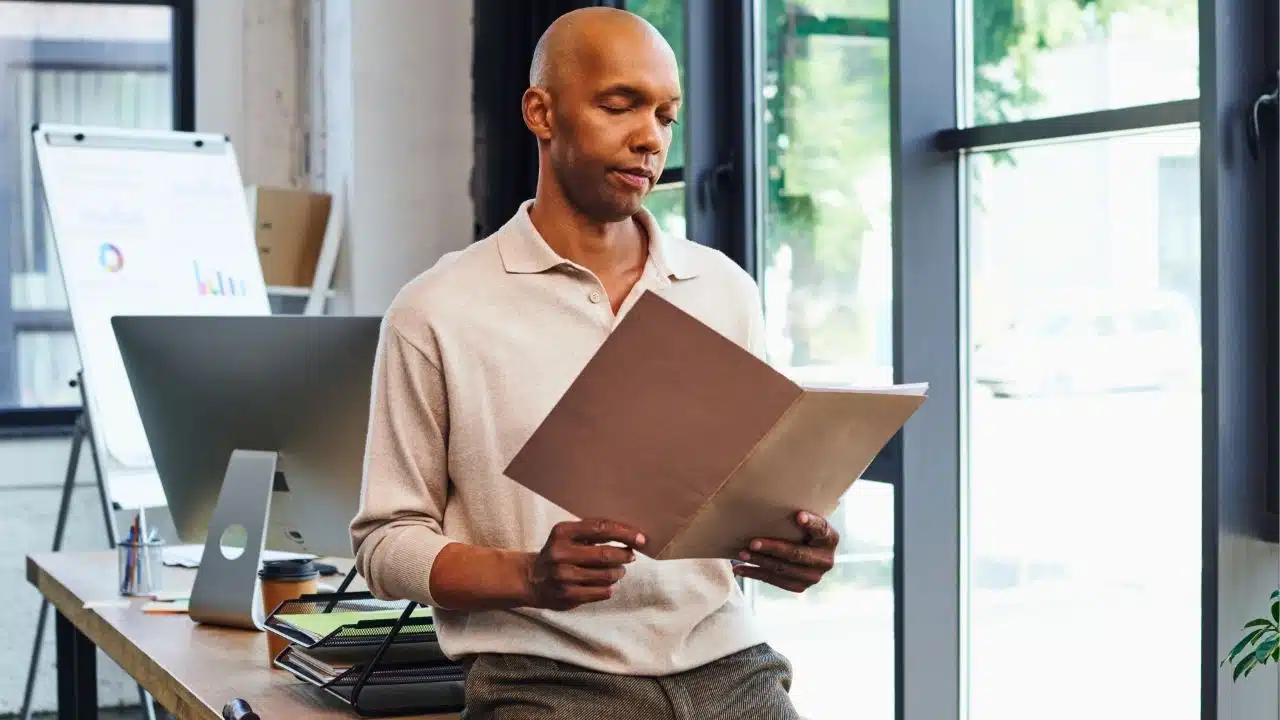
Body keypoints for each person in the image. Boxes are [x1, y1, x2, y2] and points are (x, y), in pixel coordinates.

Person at [350, 7, 840, 718]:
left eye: (667, 116)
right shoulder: (436, 310)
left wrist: (800, 543)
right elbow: (384, 543)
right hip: (547, 679)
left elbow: (756, 487)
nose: (651, 139)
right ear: (540, 112)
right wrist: (528, 576)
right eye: (621, 105)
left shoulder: (721, 290)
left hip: (731, 668)